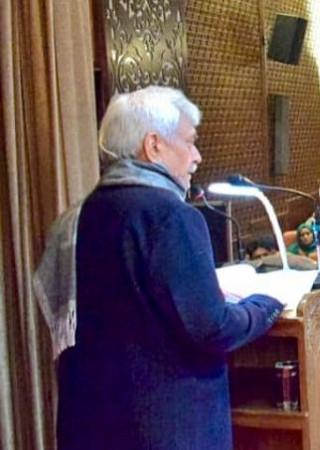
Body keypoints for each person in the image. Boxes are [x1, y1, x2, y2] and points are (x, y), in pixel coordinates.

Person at [42, 86, 284, 450]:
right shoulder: (171, 216)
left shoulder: (71, 220)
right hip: (165, 426)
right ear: (153, 145)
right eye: (189, 142)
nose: (197, 156)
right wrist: (264, 305)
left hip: (87, 422)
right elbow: (212, 328)